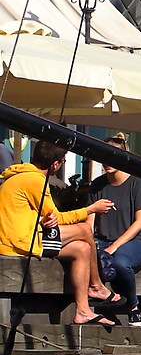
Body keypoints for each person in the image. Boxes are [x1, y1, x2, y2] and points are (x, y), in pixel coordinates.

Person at [0, 141, 114, 328]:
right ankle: (96, 286)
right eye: (62, 161)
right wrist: (91, 209)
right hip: (20, 242)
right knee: (85, 230)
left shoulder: (19, 176)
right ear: (55, 164)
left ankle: (83, 311)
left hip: (20, 236)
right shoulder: (34, 180)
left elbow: (31, 215)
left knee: (82, 249)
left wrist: (43, 221)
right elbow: (59, 218)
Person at [88, 136, 141, 322]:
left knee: (120, 262)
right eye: (103, 156)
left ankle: (133, 306)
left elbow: (140, 222)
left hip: (138, 240)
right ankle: (95, 305)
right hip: (105, 238)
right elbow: (89, 222)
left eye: (113, 157)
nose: (107, 162)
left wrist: (113, 247)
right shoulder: (97, 185)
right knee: (82, 254)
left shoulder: (138, 183)